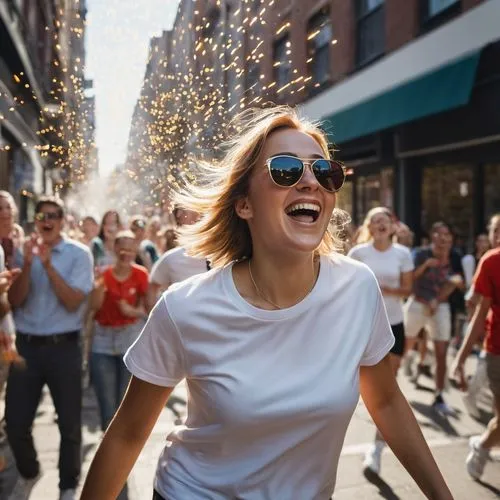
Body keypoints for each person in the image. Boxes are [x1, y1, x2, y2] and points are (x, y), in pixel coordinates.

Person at [81, 106, 452, 500]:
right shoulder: (185, 307)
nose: (310, 181)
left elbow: (388, 401)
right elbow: (126, 434)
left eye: (323, 171)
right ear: (245, 204)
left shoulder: (357, 287)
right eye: (285, 170)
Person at [6, 196, 93, 500]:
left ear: (63, 220)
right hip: (27, 347)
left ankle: (67, 486)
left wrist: (49, 266)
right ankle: (30, 473)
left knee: (69, 424)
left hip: (64, 348)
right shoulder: (22, 253)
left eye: (53, 215)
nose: (47, 220)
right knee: (15, 424)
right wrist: (29, 264)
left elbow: (72, 302)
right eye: (42, 215)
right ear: (36, 220)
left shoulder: (79, 254)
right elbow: (15, 300)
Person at [348, 206, 414, 475]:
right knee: (360, 387)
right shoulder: (357, 254)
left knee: (387, 390)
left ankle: (375, 448)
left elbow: (408, 289)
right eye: (375, 221)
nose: (380, 224)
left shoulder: (403, 254)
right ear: (369, 227)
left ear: (391, 225)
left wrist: (383, 290)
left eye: (384, 220)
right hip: (362, 326)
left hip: (394, 326)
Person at [452, 213, 500, 480]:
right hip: (497, 351)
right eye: (496, 231)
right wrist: (460, 359)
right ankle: (482, 447)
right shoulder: (491, 262)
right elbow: (480, 314)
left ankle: (483, 444)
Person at [88, 230, 150, 432]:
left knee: (125, 403)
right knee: (106, 403)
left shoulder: (141, 274)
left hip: (129, 337)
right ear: (114, 249)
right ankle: (107, 446)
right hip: (103, 340)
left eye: (131, 250)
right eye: (122, 248)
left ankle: (121, 449)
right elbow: (94, 307)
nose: (126, 253)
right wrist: (98, 288)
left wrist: (132, 310)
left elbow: (149, 310)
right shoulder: (103, 274)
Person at [402, 221, 464, 415]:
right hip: (417, 302)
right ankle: (395, 388)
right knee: (404, 347)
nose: (443, 238)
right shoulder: (420, 254)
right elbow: (409, 279)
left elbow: (458, 282)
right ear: (432, 237)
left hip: (440, 306)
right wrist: (426, 265)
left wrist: (437, 300)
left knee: (441, 352)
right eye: (438, 234)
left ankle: (438, 396)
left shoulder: (455, 256)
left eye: (447, 235)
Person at [147, 208, 207, 305]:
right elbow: (152, 286)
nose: (178, 215)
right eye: (176, 211)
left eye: (183, 210)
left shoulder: (226, 255)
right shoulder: (171, 258)